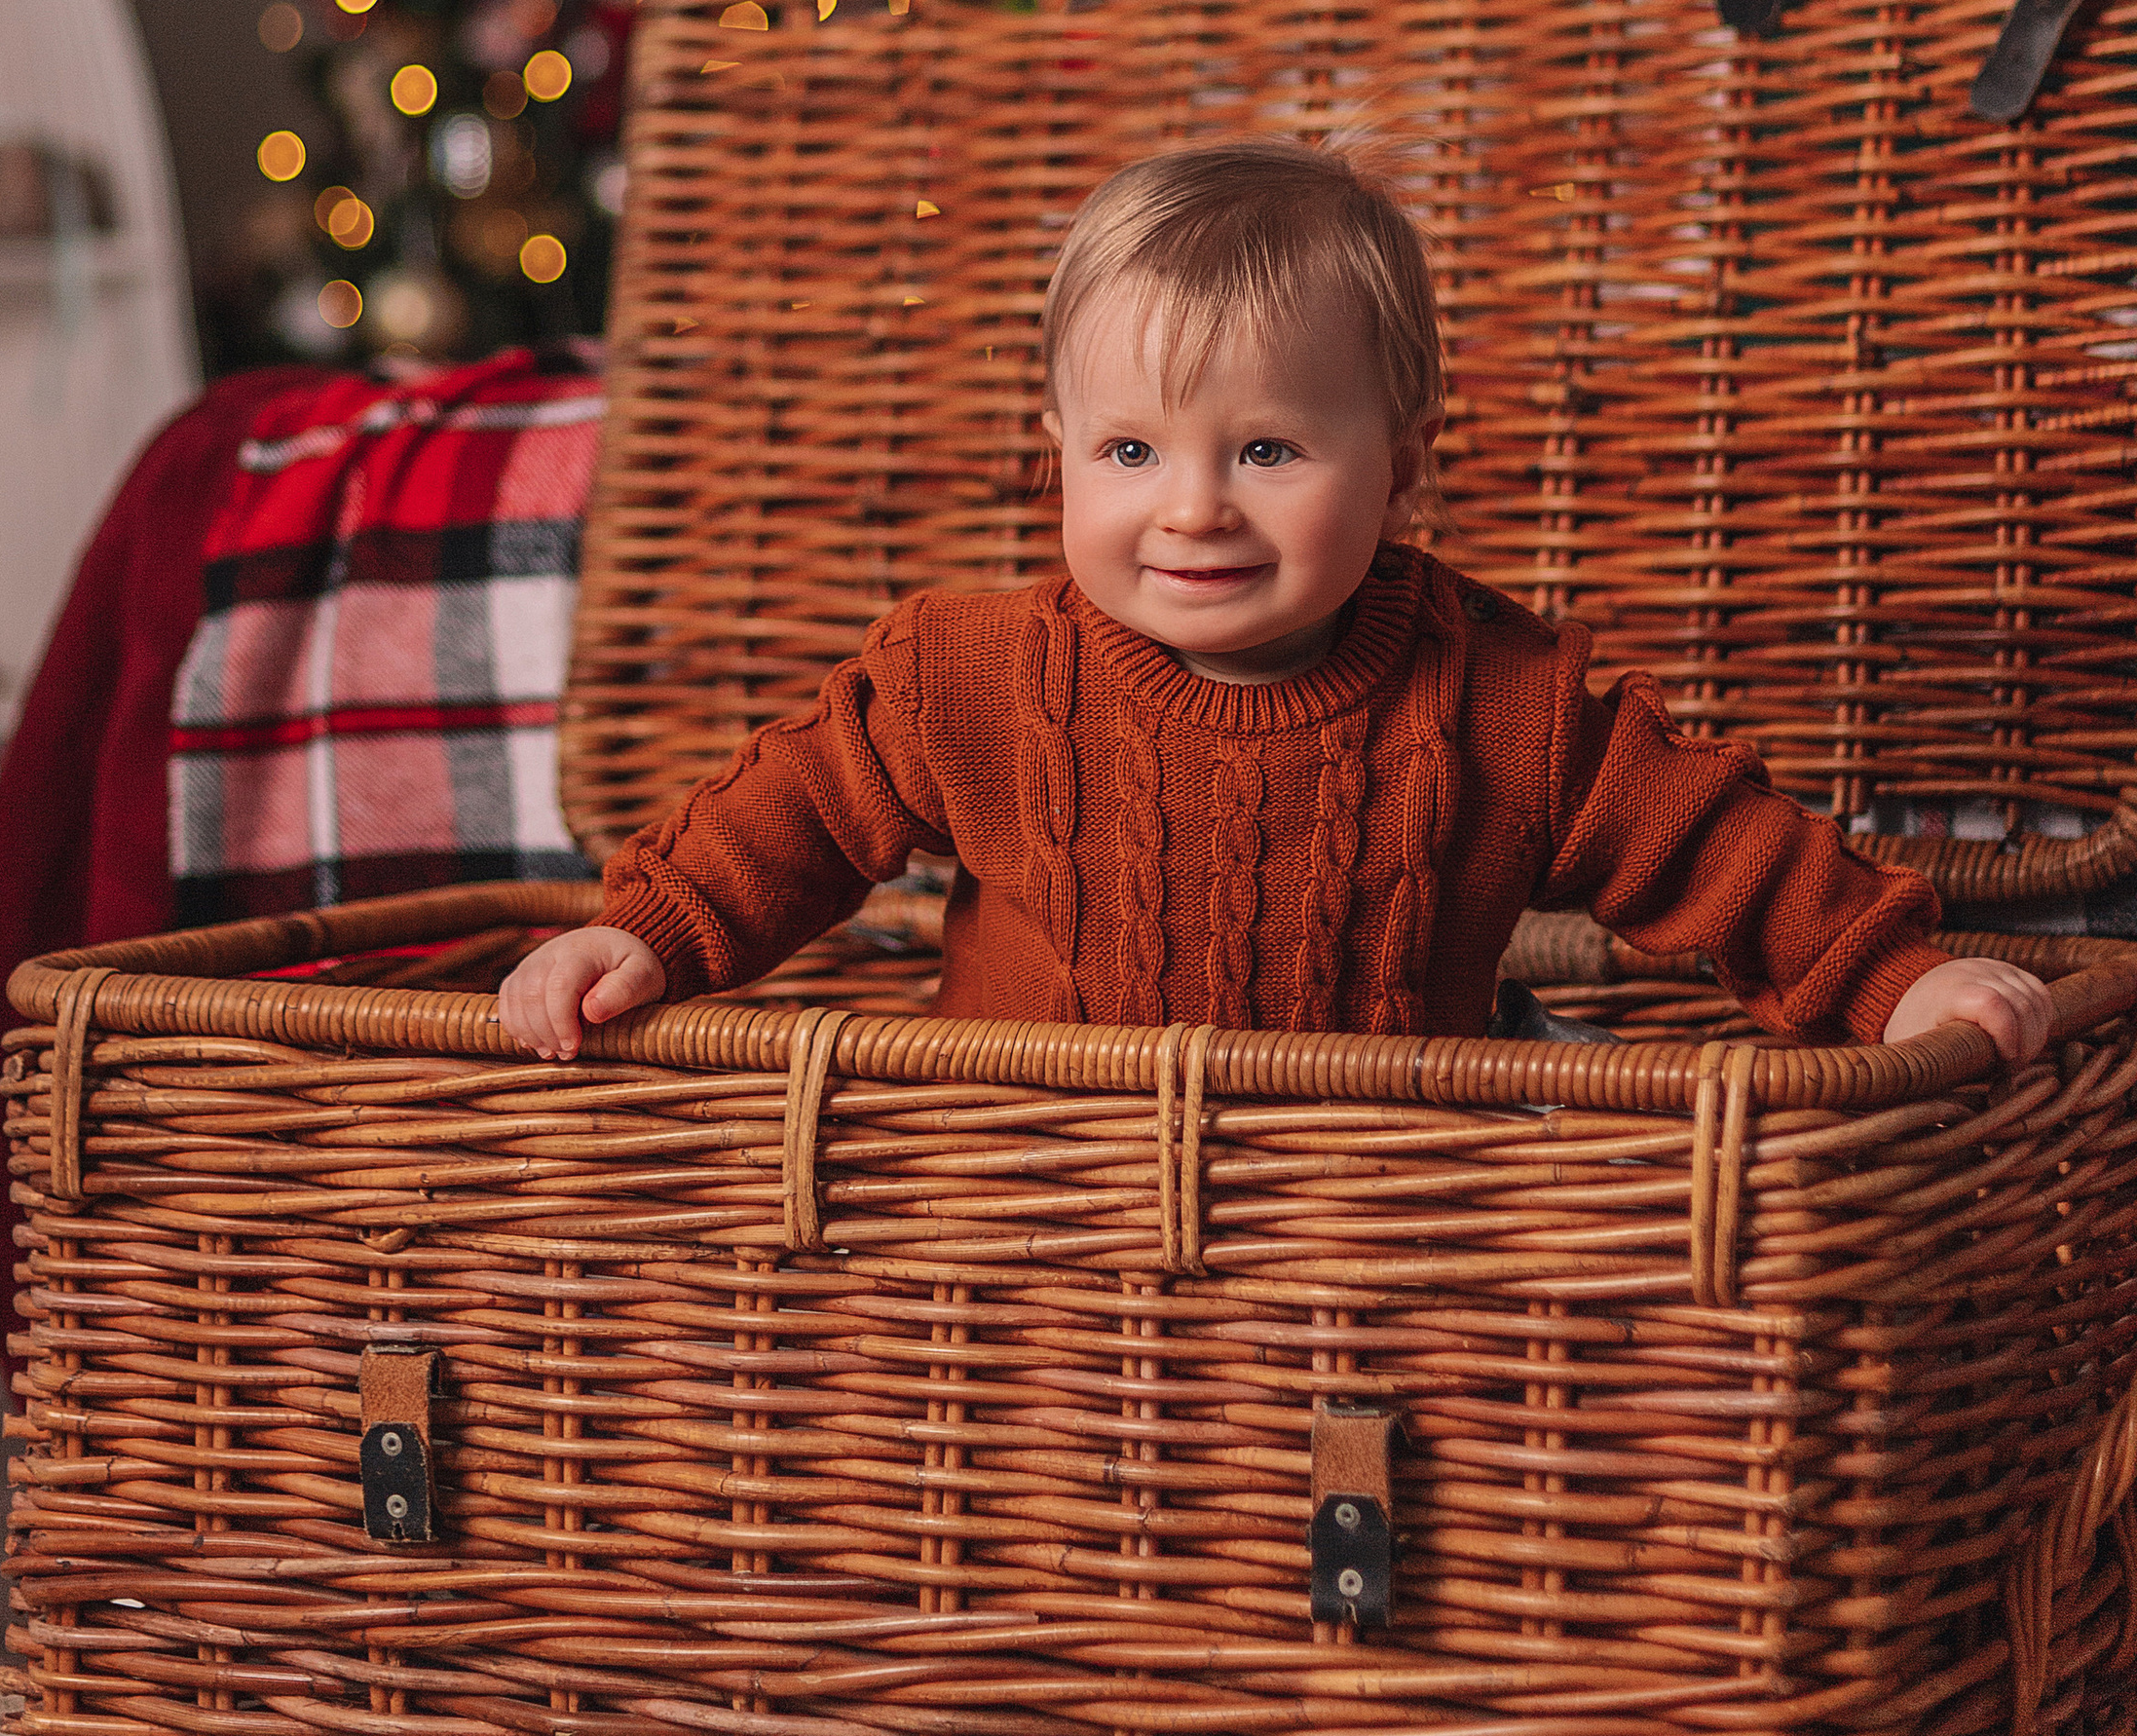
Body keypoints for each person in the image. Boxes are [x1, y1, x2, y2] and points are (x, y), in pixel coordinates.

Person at [499, 140, 2049, 1065]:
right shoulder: (965, 674)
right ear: (1057, 454)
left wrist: (1894, 979)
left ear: (1402, 465)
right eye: (1129, 449)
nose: (1191, 505)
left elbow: (1714, 846)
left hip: (1368, 1227)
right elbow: (793, 814)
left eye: (1267, 448)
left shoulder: (1500, 701)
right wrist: (651, 934)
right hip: (1013, 1211)